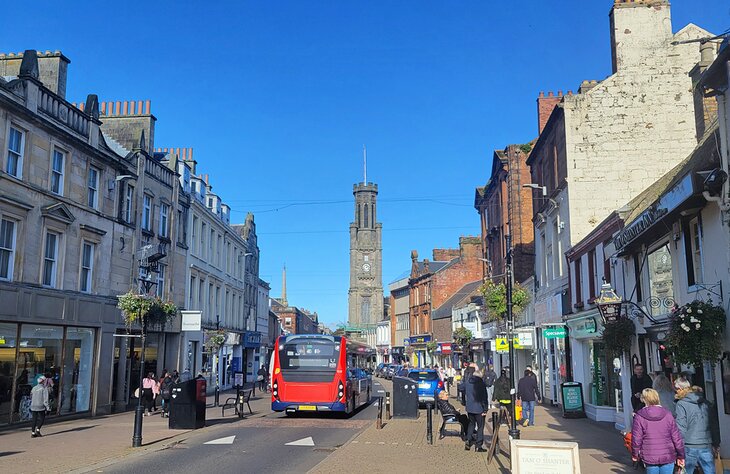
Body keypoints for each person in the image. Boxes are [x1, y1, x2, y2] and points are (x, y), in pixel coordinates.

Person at [631, 388, 685, 474]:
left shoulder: (639, 416)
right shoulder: (667, 414)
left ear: (644, 400)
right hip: (668, 454)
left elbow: (636, 439)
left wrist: (635, 454)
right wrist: (681, 455)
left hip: (650, 454)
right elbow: (676, 437)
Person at [674, 378, 720, 474]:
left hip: (689, 444)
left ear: (680, 389)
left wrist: (679, 447)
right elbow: (713, 424)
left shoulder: (681, 404)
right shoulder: (706, 403)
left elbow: (681, 427)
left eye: (676, 389)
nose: (675, 391)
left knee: (687, 471)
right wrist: (716, 443)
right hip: (706, 443)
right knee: (709, 470)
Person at [464, 367, 488, 452]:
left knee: (471, 424)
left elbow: (462, 389)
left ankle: (468, 440)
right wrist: (485, 409)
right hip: (479, 409)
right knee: (480, 427)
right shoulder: (481, 384)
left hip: (470, 408)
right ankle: (478, 445)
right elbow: (484, 398)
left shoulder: (467, 382)